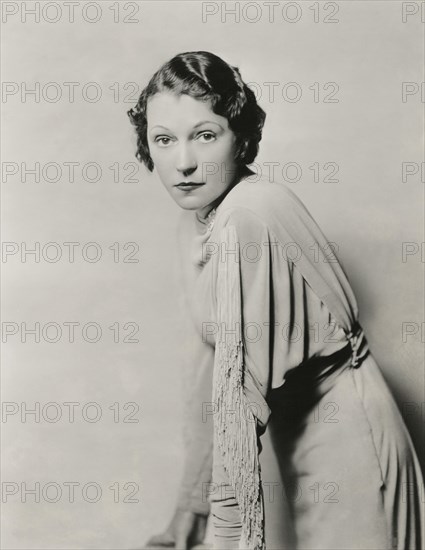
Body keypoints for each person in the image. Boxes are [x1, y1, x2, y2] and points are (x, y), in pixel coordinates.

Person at [127, 51, 424, 550]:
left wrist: (225, 535)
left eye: (205, 135)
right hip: (293, 446)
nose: (182, 163)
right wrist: (191, 505)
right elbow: (210, 365)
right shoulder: (196, 218)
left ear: (239, 137)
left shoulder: (250, 216)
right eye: (163, 140)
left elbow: (238, 401)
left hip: (350, 447)